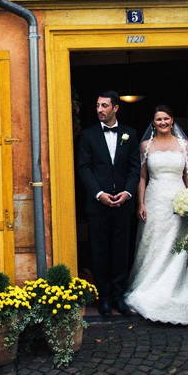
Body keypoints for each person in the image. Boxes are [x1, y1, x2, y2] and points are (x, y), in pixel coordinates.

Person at [123, 104, 188, 325]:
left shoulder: (184, 145)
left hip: (178, 200)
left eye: (166, 118)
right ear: (153, 123)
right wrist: (140, 203)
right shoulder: (146, 146)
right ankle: (150, 287)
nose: (162, 122)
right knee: (154, 244)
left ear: (172, 120)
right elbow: (142, 177)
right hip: (155, 200)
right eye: (158, 119)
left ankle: (178, 288)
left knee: (179, 245)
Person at [76, 90, 140, 316]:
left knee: (121, 250)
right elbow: (84, 168)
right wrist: (99, 193)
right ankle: (103, 297)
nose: (99, 110)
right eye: (97, 106)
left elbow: (135, 168)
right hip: (98, 205)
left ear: (115, 108)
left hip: (123, 203)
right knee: (99, 251)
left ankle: (118, 296)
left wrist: (128, 193)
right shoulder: (88, 135)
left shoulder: (130, 134)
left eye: (104, 106)